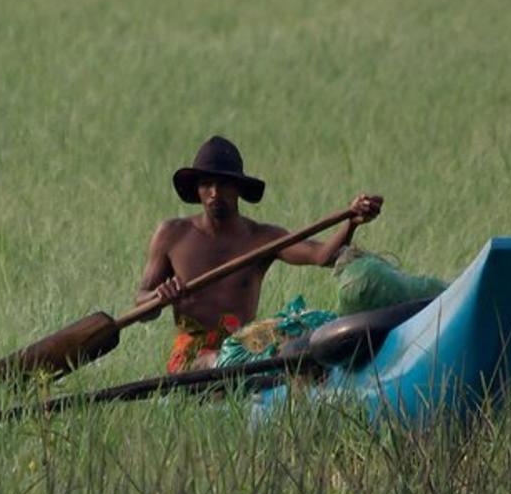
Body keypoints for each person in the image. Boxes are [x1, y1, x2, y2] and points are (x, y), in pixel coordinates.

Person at [136, 136, 383, 372]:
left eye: (223, 184)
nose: (214, 193)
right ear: (197, 189)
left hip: (245, 349)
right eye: (206, 184)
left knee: (303, 333)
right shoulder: (171, 234)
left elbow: (323, 256)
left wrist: (351, 222)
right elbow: (142, 303)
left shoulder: (262, 238)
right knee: (216, 360)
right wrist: (159, 297)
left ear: (239, 188)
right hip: (191, 358)